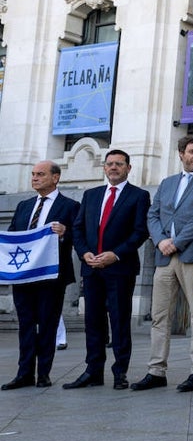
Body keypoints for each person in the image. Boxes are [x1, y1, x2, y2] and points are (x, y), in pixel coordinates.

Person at [133, 136, 193, 392]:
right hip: (164, 256)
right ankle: (156, 370)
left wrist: (178, 242)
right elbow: (153, 214)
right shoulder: (167, 182)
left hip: (192, 256)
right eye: (192, 152)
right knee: (160, 316)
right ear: (181, 154)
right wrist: (161, 240)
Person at [66, 150, 151, 390]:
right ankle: (93, 371)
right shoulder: (91, 195)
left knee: (120, 321)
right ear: (104, 168)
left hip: (120, 268)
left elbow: (140, 232)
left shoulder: (139, 196)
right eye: (110, 164)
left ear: (128, 168)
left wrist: (115, 254)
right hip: (92, 268)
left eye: (119, 164)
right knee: (93, 322)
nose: (114, 168)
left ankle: (120, 372)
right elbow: (78, 228)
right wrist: (84, 253)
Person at [2, 162, 79, 389]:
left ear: (55, 178)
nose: (35, 178)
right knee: (26, 325)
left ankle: (43, 373)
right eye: (33, 174)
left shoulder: (70, 206)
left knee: (47, 324)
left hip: (51, 277)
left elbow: (80, 236)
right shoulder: (24, 206)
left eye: (41, 174)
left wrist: (66, 232)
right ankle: (24, 373)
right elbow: (15, 235)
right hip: (24, 276)